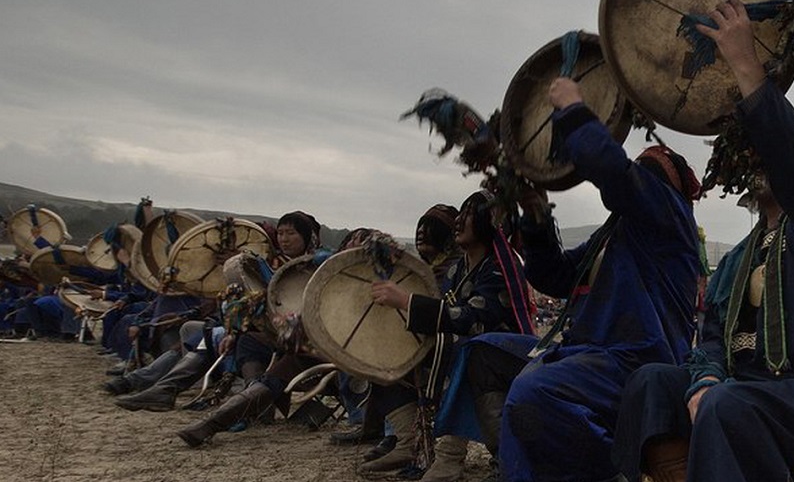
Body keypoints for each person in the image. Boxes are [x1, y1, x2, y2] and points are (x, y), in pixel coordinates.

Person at [613, 0, 794, 482]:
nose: (765, 163)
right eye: (760, 157)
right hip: (742, 387)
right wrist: (704, 378)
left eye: (777, 158)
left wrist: (746, 63)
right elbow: (708, 338)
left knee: (726, 405)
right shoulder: (734, 261)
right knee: (651, 382)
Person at [450, 76, 703, 482]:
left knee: (536, 391)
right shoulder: (613, 236)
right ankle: (516, 463)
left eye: (647, 175)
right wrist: (535, 216)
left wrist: (572, 110)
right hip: (585, 353)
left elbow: (615, 174)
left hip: (634, 359)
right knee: (482, 353)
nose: (638, 181)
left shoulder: (671, 222)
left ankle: (610, 473)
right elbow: (554, 275)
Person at [363, 193, 536, 479]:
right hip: (462, 347)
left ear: (489, 222)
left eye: (468, 213)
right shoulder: (457, 269)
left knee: (468, 352)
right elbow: (444, 312)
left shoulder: (499, 268)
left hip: (499, 356)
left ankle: (449, 456)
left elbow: (473, 319)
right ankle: (409, 442)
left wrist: (407, 301)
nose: (459, 220)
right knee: (385, 352)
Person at [177, 210, 326, 446]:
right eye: (281, 233)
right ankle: (215, 422)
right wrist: (234, 331)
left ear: (307, 237)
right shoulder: (271, 264)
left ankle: (216, 421)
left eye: (291, 233)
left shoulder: (322, 267)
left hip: (321, 347)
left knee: (270, 370)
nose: (284, 239)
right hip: (291, 344)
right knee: (251, 345)